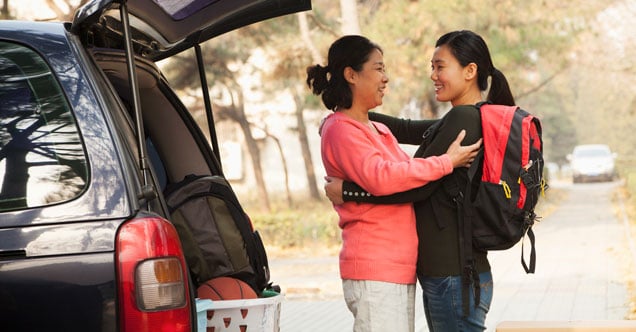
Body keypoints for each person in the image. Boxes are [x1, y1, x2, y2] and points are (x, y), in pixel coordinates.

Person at [324, 30, 517, 331]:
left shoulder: (464, 119)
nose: (433, 75)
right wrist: (352, 111)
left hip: (452, 271)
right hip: (451, 270)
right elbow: (407, 128)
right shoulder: (470, 117)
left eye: (440, 66)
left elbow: (416, 187)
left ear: (470, 71)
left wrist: (349, 191)